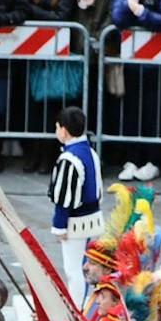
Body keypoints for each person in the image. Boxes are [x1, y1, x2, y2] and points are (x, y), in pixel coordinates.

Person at [47, 106, 102, 300]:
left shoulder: (69, 159)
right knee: (90, 268)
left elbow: (63, 199)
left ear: (64, 130)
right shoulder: (91, 153)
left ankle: (78, 310)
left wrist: (59, 226)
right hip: (94, 218)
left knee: (75, 271)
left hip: (76, 223)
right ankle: (87, 307)